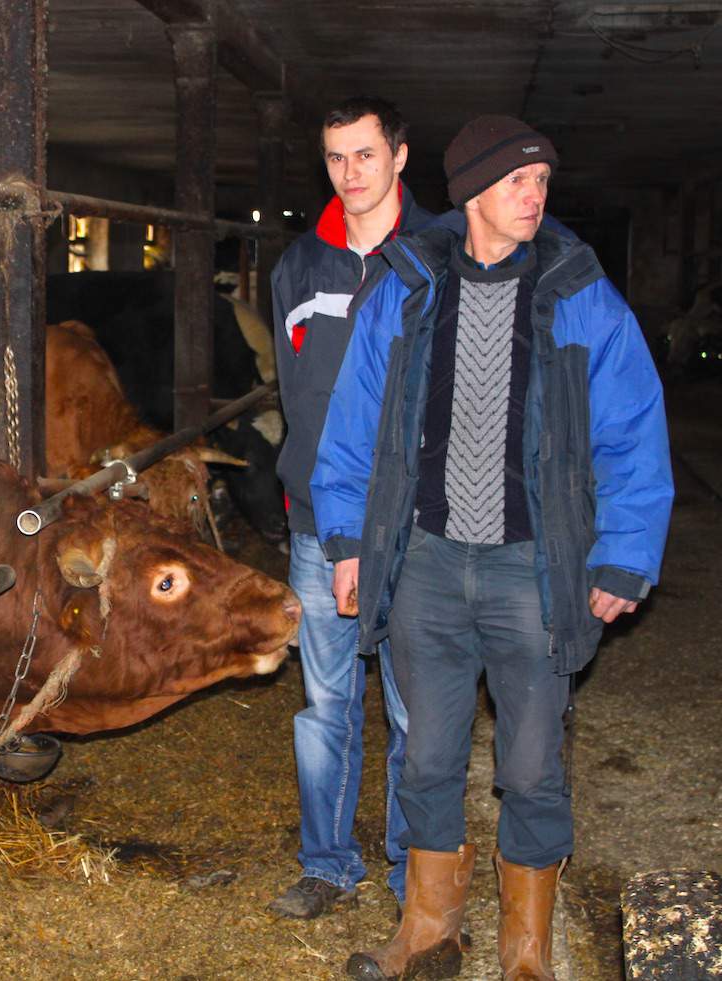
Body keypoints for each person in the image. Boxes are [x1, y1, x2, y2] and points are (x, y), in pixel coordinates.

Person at [311, 115, 673, 979]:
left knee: (532, 764)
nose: (536, 197)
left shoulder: (579, 292)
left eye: (543, 182)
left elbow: (633, 431)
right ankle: (430, 931)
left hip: (531, 569)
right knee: (427, 757)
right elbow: (353, 424)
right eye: (518, 182)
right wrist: (349, 537)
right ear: (473, 190)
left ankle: (526, 948)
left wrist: (624, 553)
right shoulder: (406, 287)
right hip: (426, 563)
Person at [268, 97, 436, 918]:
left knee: (416, 704)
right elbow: (297, 397)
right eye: (336, 158)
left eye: (366, 155)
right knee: (325, 702)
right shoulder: (298, 266)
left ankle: (415, 873)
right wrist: (307, 490)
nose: (350, 174)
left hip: (413, 525)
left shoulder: (442, 256)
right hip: (314, 525)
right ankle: (328, 863)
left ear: (401, 156)